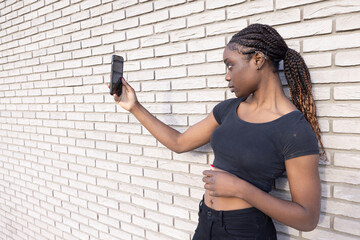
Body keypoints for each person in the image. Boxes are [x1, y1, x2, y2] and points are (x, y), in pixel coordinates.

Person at [107, 23, 325, 239]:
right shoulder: (228, 109)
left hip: (246, 231)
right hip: (206, 222)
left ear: (258, 60)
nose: (227, 76)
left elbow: (307, 218)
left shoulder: (294, 129)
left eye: (230, 65)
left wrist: (241, 189)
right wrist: (135, 107)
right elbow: (179, 142)